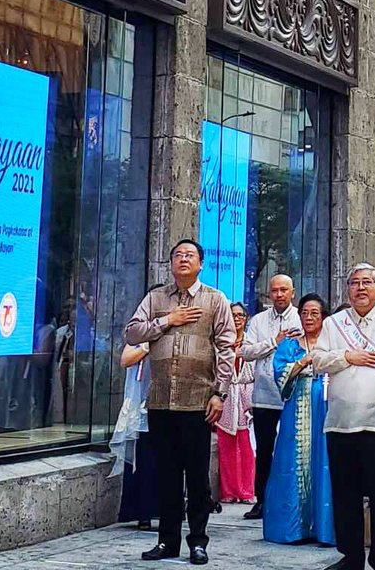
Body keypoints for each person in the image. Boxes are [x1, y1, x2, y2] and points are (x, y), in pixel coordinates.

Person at [125, 238, 235, 564]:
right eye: (177, 255)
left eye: (190, 255)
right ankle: (167, 541)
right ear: (171, 263)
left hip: (197, 402)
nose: (183, 260)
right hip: (160, 401)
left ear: (201, 263)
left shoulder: (215, 300)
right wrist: (166, 321)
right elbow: (132, 334)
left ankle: (198, 541)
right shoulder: (156, 297)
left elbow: (227, 349)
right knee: (167, 476)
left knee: (198, 477)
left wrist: (220, 393)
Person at [311, 263, 375, 570]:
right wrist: (346, 357)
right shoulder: (334, 323)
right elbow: (317, 360)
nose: (360, 288)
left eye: (367, 282)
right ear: (347, 289)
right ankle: (351, 557)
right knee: (345, 495)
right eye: (354, 283)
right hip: (341, 422)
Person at [264, 293, 335, 546]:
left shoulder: (332, 340)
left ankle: (326, 529)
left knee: (325, 461)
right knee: (293, 462)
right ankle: (294, 528)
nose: (309, 317)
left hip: (327, 406)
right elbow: (279, 373)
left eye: (314, 313)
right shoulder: (291, 344)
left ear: (324, 316)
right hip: (298, 409)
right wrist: (303, 361)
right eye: (304, 313)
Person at [239, 273, 301, 519]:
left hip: (292, 395)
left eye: (284, 290)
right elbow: (245, 351)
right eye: (274, 290)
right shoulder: (258, 321)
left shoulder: (300, 317)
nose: (279, 295)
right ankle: (261, 500)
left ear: (292, 292)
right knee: (264, 450)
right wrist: (274, 342)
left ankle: (290, 502)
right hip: (264, 395)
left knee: (292, 449)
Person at [111, 343, 159, 530]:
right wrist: (147, 346)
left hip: (166, 406)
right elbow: (125, 360)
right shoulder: (140, 339)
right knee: (143, 462)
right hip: (142, 407)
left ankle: (168, 511)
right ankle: (143, 513)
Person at [216, 302, 255, 505]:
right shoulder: (221, 343)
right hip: (226, 394)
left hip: (246, 394)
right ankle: (229, 490)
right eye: (233, 315)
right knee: (226, 445)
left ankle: (247, 490)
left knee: (247, 446)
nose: (237, 319)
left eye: (241, 315)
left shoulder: (251, 342)